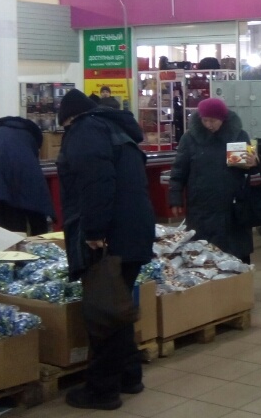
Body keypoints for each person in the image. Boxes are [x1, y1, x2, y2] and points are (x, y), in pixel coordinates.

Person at [55, 90, 155, 411]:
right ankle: (129, 376)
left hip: (111, 236)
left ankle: (102, 391)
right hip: (134, 230)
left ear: (70, 118)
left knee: (103, 313)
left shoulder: (86, 131)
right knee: (117, 305)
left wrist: (94, 231)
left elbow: (96, 182)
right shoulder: (116, 129)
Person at [168, 98, 259, 263]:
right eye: (205, 120)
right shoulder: (189, 138)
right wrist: (175, 198)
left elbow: (250, 168)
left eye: (213, 120)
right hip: (201, 206)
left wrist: (255, 163)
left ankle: (240, 278)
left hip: (232, 206)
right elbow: (179, 170)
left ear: (222, 118)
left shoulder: (239, 135)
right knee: (202, 255)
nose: (209, 124)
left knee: (236, 254)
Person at [0, 116, 55, 235]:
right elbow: (35, 151)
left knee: (13, 227)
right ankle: (41, 243)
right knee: (38, 221)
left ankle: (18, 243)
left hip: (5, 184)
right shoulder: (29, 134)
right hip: (31, 182)